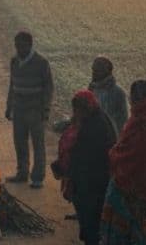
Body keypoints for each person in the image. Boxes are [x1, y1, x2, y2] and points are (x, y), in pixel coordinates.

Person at [100, 80, 146, 245]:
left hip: (130, 184)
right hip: (137, 183)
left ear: (138, 97)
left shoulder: (145, 120)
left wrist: (114, 154)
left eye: (133, 95)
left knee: (124, 228)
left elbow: (135, 155)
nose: (130, 99)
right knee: (130, 226)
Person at [50, 89, 116, 245]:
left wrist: (67, 171)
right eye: (75, 109)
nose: (76, 112)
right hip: (84, 179)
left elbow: (82, 156)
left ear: (87, 107)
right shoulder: (86, 119)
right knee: (86, 215)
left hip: (93, 180)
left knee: (90, 217)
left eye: (79, 109)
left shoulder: (97, 125)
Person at [5, 30, 54, 188]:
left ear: (30, 45)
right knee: (19, 142)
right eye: (16, 45)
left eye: (22, 46)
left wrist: (45, 110)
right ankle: (22, 173)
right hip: (18, 108)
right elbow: (12, 85)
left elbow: (49, 88)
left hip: (35, 109)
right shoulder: (14, 61)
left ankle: (38, 177)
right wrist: (9, 106)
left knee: (37, 144)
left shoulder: (41, 62)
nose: (19, 49)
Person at [90, 55, 129, 137]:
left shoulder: (117, 93)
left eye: (97, 70)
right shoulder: (92, 88)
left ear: (106, 72)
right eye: (93, 69)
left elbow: (120, 122)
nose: (93, 73)